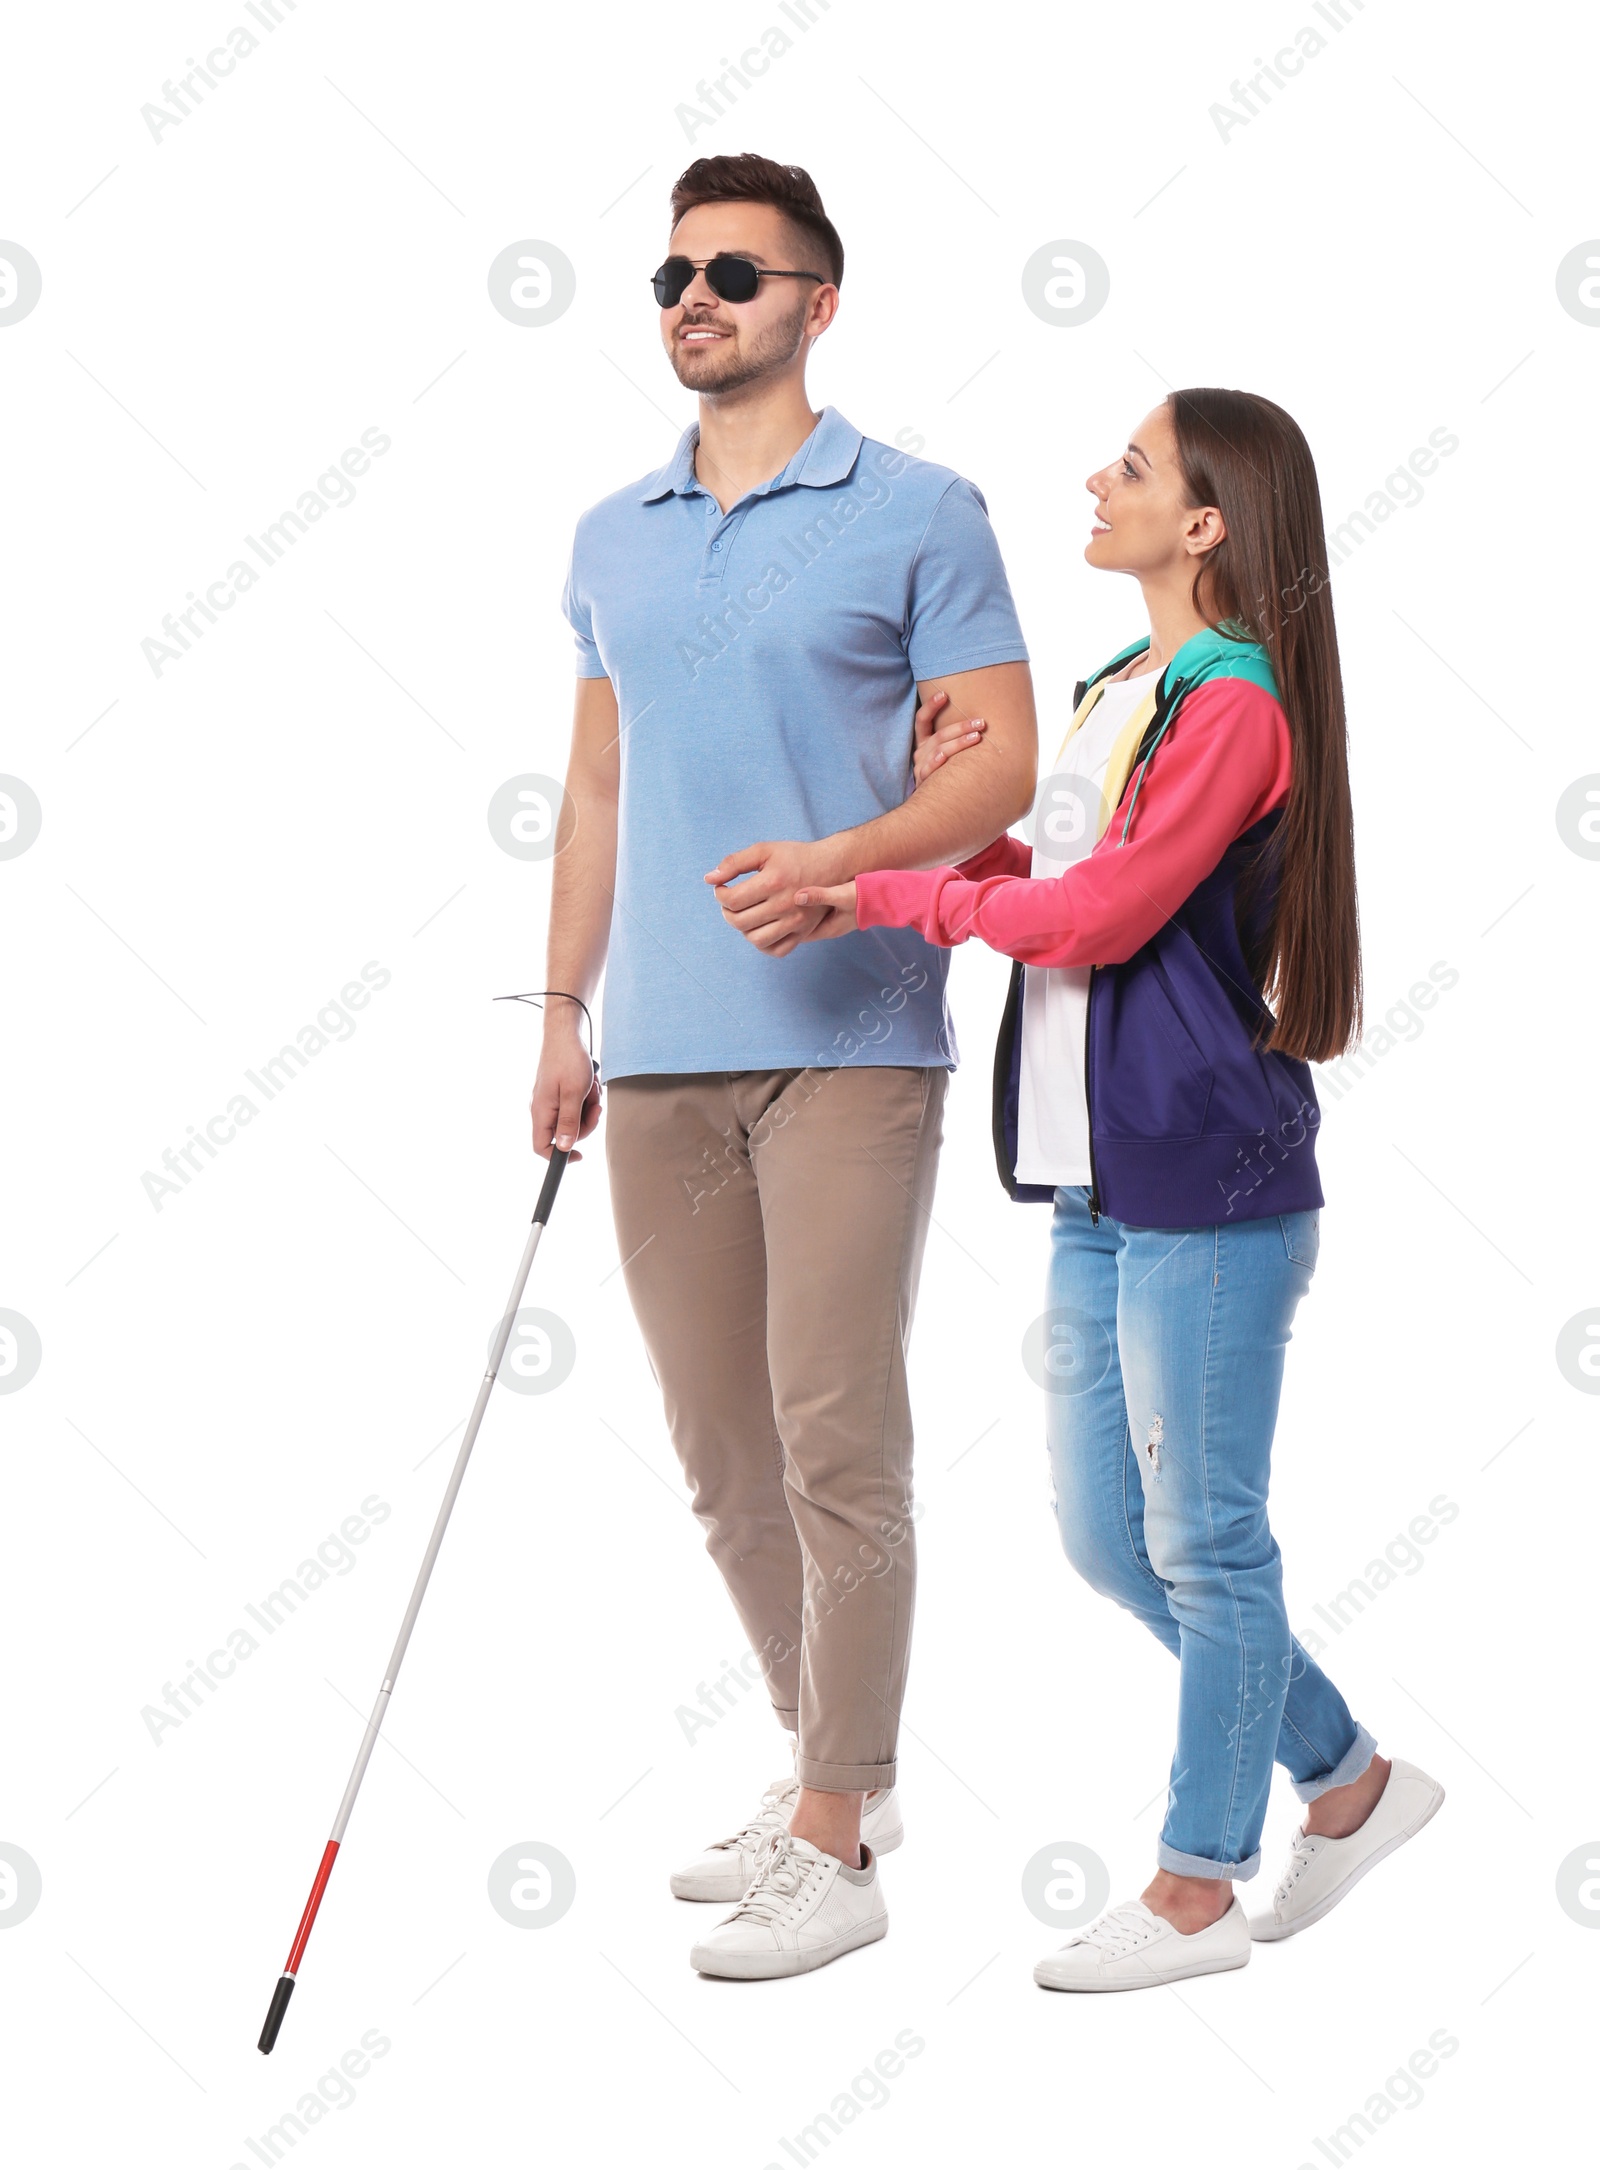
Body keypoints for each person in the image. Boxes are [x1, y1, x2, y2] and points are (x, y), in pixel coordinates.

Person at [742, 388, 1445, 1990]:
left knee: (1208, 1543)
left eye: (1130, 467)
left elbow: (1108, 916)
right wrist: (950, 835)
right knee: (1116, 1544)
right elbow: (1043, 892)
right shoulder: (1125, 681)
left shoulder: (1235, 703)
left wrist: (884, 889)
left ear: (1206, 524)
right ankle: (1350, 1782)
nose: (1094, 478)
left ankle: (1201, 1886)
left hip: (1212, 1176)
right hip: (1095, 1179)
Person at [531, 152, 1037, 1979]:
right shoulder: (613, 536)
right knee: (719, 1449)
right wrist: (564, 1011)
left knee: (837, 1429)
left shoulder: (918, 507)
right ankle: (835, 1762)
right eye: (672, 271)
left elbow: (997, 765)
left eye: (737, 273)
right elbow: (596, 788)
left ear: (819, 302)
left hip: (853, 1043)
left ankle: (838, 1829)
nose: (696, 296)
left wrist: (843, 866)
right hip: (657, 1053)